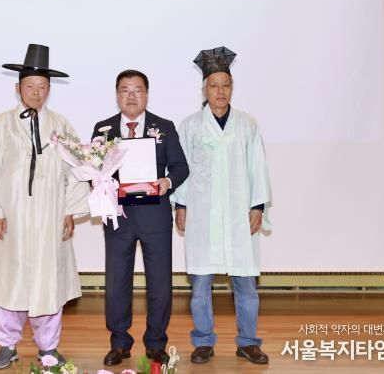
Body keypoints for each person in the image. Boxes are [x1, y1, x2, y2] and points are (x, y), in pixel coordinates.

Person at [0, 44, 89, 370]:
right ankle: (6, 345)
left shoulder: (61, 125)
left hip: (50, 216)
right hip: (12, 216)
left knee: (48, 280)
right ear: (18, 88)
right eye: (30, 86)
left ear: (49, 89)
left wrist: (71, 210)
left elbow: (77, 169)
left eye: (42, 87)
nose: (36, 92)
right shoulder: (0, 125)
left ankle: (48, 348)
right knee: (8, 279)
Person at [172, 46, 272, 365]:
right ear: (204, 89)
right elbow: (182, 168)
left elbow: (257, 166)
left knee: (245, 283)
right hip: (202, 214)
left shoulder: (247, 125)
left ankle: (248, 341)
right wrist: (180, 205)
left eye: (225, 85)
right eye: (214, 85)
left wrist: (258, 206)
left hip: (239, 214)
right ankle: (203, 341)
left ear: (232, 87)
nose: (220, 91)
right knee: (200, 286)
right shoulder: (190, 126)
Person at [91, 70, 189, 366]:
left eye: (137, 90)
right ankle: (119, 342)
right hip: (118, 216)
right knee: (116, 281)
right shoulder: (103, 129)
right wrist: (100, 184)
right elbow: (93, 170)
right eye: (125, 90)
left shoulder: (164, 127)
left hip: (155, 215)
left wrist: (167, 182)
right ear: (117, 94)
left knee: (159, 282)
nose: (131, 96)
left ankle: (156, 342)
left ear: (147, 94)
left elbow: (181, 167)